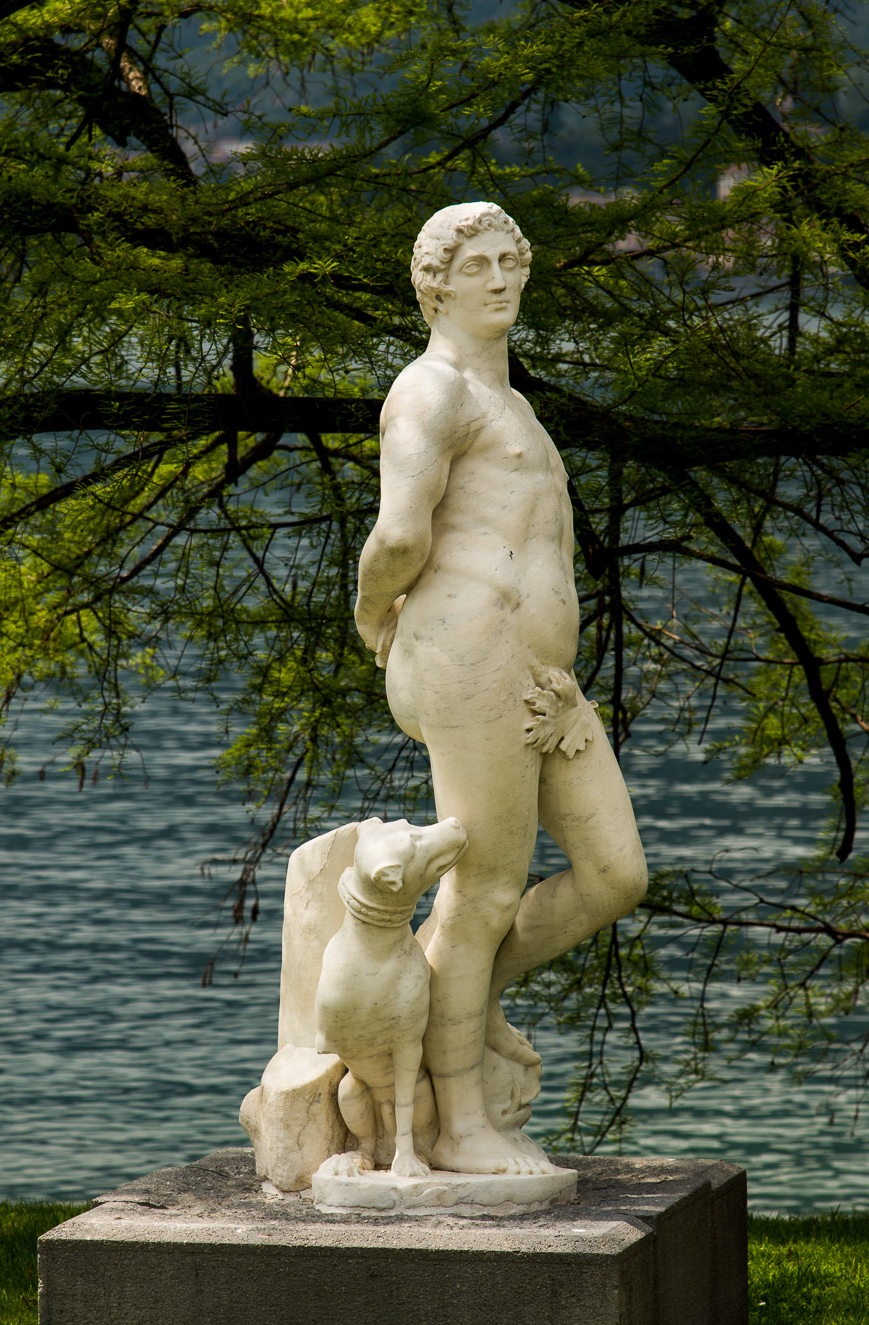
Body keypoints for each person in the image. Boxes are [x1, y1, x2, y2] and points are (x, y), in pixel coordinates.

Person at [353, 202, 649, 1176]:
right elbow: (400, 534)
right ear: (430, 284)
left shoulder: (512, 402)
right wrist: (370, 612)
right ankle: (459, 1123)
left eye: (508, 261)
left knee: (614, 875)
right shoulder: (429, 392)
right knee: (480, 891)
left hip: (542, 678)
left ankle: (451, 1011)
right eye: (473, 264)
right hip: (466, 654)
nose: (497, 278)